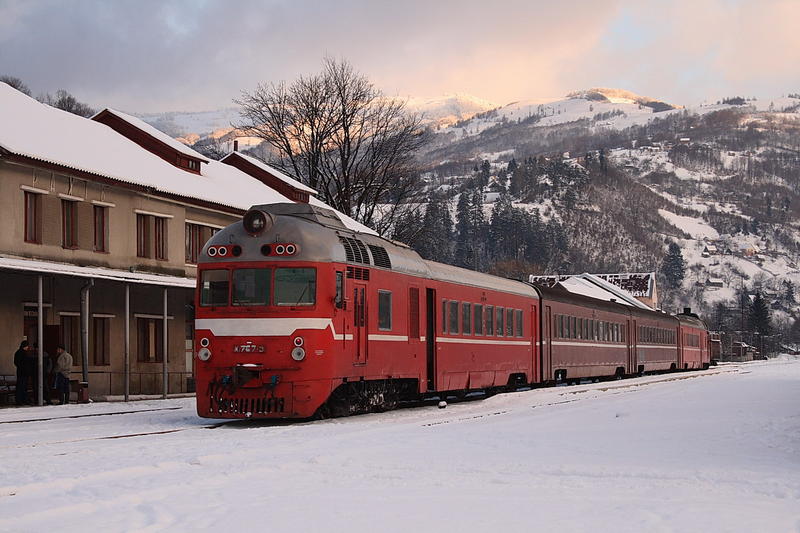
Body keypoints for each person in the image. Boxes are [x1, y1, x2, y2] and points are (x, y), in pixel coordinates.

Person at [13, 340, 29, 406]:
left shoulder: (18, 352)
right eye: (27, 346)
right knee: (22, 387)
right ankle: (22, 400)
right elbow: (22, 363)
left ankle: (20, 400)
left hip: (20, 372)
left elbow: (16, 362)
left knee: (21, 386)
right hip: (23, 372)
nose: (28, 347)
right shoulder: (23, 353)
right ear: (24, 346)